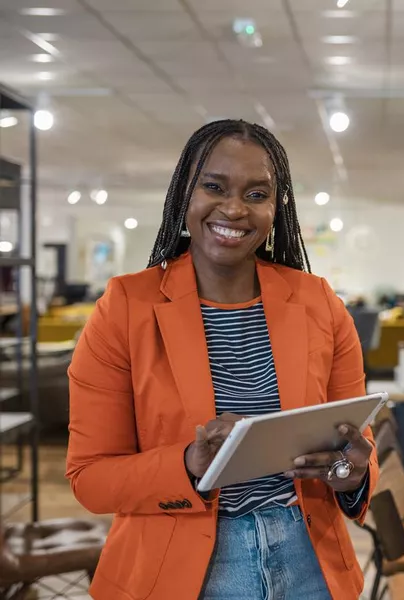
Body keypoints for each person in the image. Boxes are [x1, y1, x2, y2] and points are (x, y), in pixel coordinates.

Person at [66, 120, 378, 600]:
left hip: (308, 559)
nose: (234, 208)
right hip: (179, 567)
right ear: (184, 194)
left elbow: (357, 442)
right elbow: (91, 477)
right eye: (214, 187)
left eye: (257, 194)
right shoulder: (125, 307)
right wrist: (190, 464)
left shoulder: (318, 303)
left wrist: (353, 473)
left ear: (277, 208)